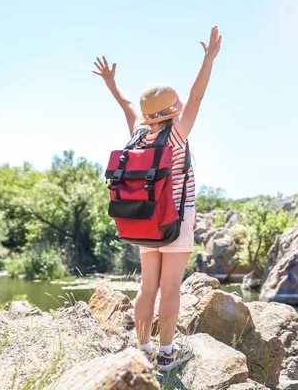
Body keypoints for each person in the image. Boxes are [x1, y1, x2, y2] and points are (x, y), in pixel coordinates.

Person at [92, 26, 221, 371]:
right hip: (176, 222)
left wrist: (110, 81)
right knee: (170, 288)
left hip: (144, 219)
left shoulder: (137, 135)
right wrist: (208, 59)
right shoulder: (177, 135)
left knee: (147, 287)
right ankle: (167, 354)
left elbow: (127, 103)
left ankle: (143, 348)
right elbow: (197, 97)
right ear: (172, 111)